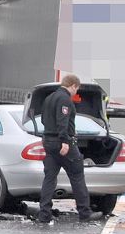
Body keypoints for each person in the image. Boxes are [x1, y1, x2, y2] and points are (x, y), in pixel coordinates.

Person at [37, 74, 102, 223]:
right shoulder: (64, 99)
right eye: (76, 89)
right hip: (63, 143)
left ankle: (44, 214)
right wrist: (65, 141)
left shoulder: (49, 98)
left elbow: (43, 119)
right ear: (73, 85)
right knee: (77, 176)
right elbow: (62, 121)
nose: (76, 92)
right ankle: (85, 213)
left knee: (49, 178)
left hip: (48, 141)